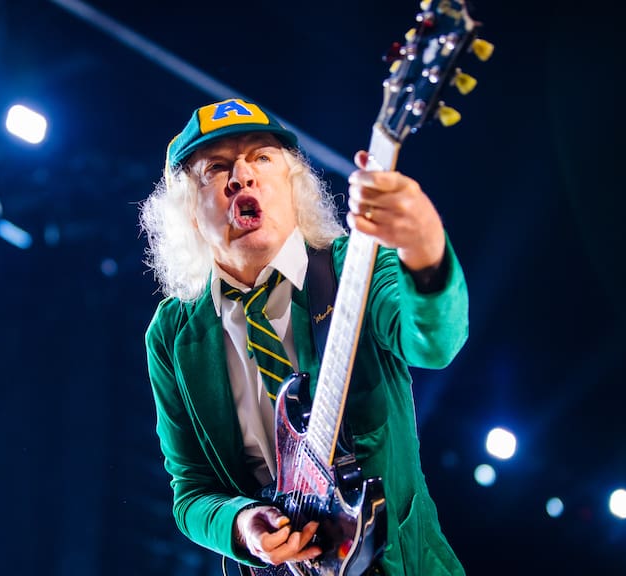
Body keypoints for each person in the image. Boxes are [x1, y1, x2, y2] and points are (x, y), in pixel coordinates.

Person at [139, 97, 469, 576]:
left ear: (294, 188)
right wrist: (243, 524)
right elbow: (191, 491)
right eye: (216, 168)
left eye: (262, 157)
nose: (242, 176)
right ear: (189, 212)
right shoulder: (172, 333)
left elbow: (434, 343)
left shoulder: (353, 267)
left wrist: (425, 245)